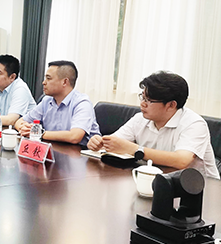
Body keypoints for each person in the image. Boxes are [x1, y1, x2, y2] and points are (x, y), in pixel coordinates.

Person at [87, 71, 220, 179]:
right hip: (157, 181)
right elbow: (114, 143)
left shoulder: (194, 124)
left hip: (201, 189)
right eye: (142, 97)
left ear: (171, 105)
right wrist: (98, 143)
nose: (142, 104)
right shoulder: (140, 119)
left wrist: (136, 150)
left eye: (149, 100)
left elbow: (181, 161)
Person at [14, 60, 100, 146]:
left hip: (80, 152)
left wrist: (39, 133)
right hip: (53, 149)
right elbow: (19, 122)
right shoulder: (47, 101)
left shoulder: (82, 103)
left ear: (64, 82)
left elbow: (74, 136)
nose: (43, 82)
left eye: (48, 78)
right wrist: (24, 128)